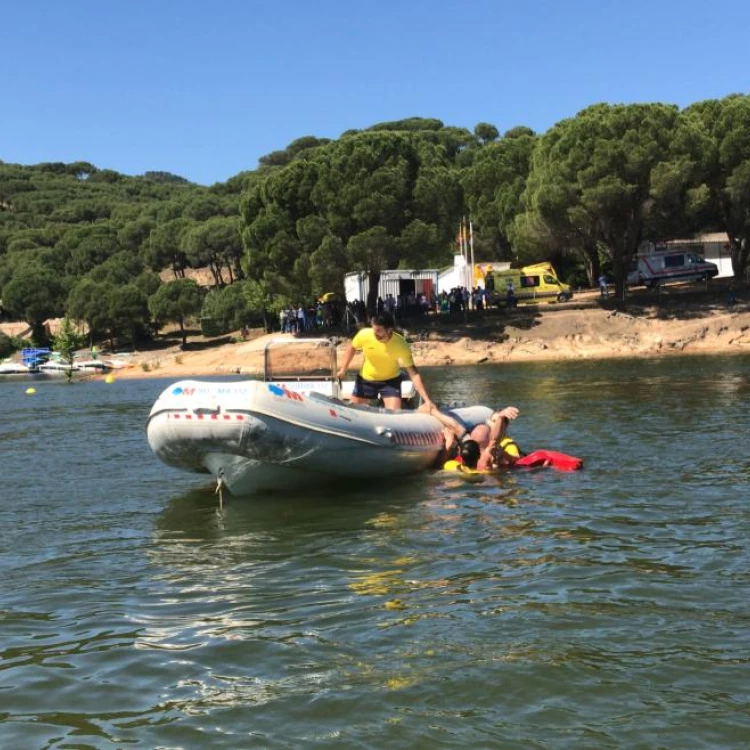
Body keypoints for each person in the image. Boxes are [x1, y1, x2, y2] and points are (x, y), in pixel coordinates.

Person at [336, 312, 435, 411]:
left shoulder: (400, 344)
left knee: (394, 415)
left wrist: (427, 400)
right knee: (353, 412)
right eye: (374, 330)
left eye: (379, 331)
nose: (375, 334)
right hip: (366, 380)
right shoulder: (364, 334)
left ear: (389, 330)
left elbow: (413, 373)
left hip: (390, 382)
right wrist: (343, 369)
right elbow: (352, 347)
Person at [423, 403, 520, 471]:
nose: (491, 425)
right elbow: (493, 442)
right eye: (491, 421)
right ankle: (432, 410)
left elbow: (439, 466)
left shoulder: (505, 445)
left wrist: (448, 446)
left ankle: (431, 409)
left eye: (495, 422)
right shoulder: (486, 460)